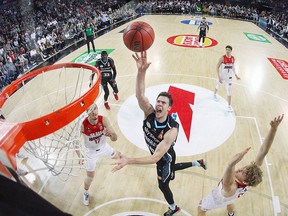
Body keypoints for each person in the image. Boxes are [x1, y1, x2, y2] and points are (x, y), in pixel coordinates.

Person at [112, 52, 207, 216]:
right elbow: (139, 96)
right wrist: (141, 72)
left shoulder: (172, 129)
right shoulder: (149, 112)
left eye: (163, 103)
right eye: (158, 101)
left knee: (163, 185)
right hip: (159, 155)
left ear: (169, 108)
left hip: (164, 159)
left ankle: (173, 207)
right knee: (170, 174)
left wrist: (129, 160)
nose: (159, 104)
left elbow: (156, 158)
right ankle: (198, 162)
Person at [198, 114, 284, 216]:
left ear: (245, 180)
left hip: (217, 199)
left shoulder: (231, 187)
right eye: (244, 168)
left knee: (201, 208)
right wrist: (273, 130)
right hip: (231, 198)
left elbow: (227, 182)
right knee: (230, 202)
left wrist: (231, 164)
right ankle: (231, 213)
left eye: (243, 173)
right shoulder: (248, 180)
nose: (240, 170)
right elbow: (263, 151)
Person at [78, 103, 120, 206]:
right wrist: (80, 155)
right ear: (86, 112)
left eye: (95, 109)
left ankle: (126, 159)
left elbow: (115, 138)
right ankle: (85, 192)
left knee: (118, 157)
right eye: (91, 110)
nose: (94, 112)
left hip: (104, 148)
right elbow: (76, 142)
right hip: (90, 153)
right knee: (90, 176)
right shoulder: (83, 124)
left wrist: (111, 135)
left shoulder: (104, 120)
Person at [213, 45, 240, 112]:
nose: (227, 51)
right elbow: (217, 67)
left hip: (229, 77)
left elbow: (233, 67)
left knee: (229, 90)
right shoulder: (222, 58)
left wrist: (236, 75)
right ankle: (214, 94)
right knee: (218, 86)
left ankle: (229, 106)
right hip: (222, 76)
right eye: (226, 49)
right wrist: (219, 76)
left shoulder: (233, 58)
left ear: (231, 51)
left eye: (228, 50)